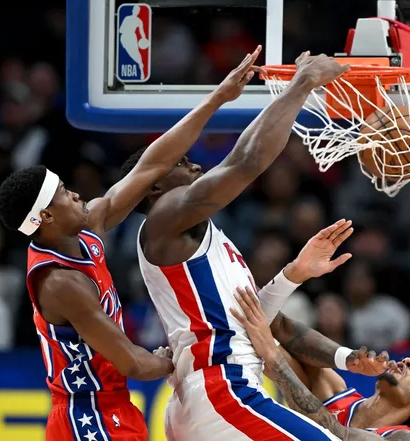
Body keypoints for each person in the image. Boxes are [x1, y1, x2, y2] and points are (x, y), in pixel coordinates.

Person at [0, 48, 263, 441]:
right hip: (86, 416)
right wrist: (178, 363)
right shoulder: (61, 283)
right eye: (65, 194)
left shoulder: (87, 227)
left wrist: (216, 99)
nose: (77, 196)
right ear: (46, 217)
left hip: (113, 407)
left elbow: (152, 165)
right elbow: (133, 363)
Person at [124, 51, 363, 440]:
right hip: (221, 390)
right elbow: (246, 161)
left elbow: (252, 319)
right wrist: (303, 83)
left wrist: (294, 274)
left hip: (211, 395)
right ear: (154, 187)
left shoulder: (204, 238)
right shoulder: (163, 218)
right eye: (184, 163)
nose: (198, 166)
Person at [232, 286, 410, 441]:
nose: (408, 361)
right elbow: (278, 329)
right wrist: (345, 358)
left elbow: (335, 435)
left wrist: (271, 353)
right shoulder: (335, 392)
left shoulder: (406, 438)